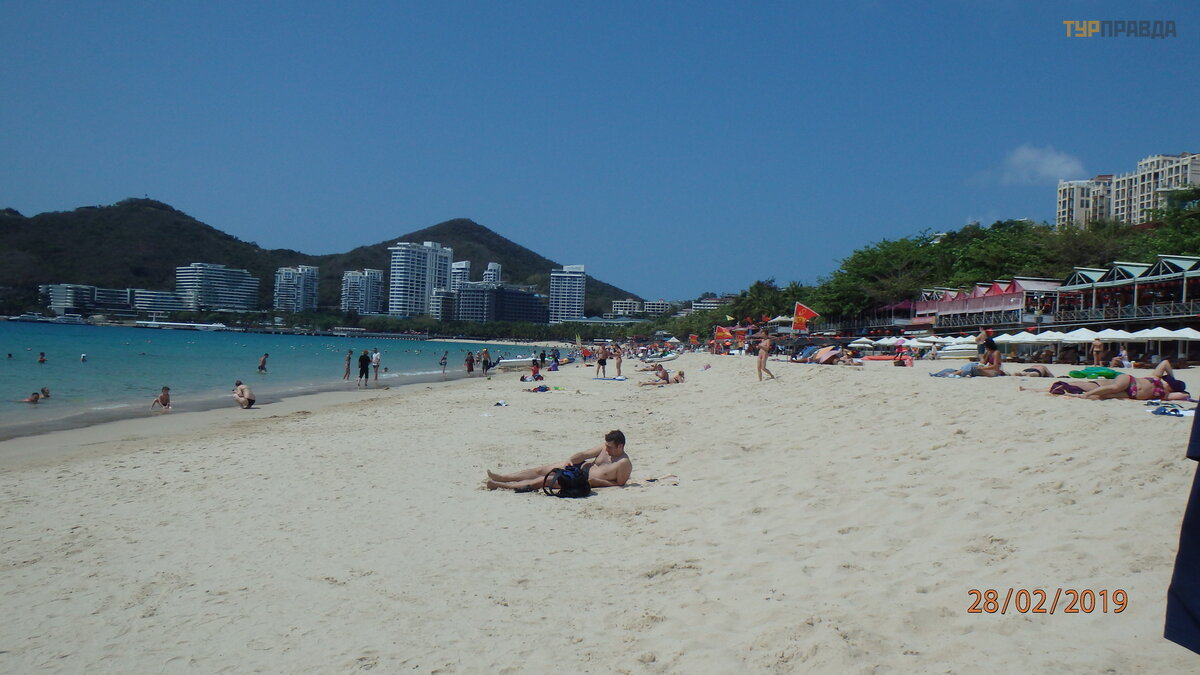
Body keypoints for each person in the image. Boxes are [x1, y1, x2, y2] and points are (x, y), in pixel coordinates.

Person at [486, 430, 633, 491]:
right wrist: (570, 459)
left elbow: (619, 484)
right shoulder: (604, 447)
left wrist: (598, 482)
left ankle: (503, 485)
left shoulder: (623, 463)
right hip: (579, 468)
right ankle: (503, 477)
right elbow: (584, 454)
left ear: (620, 446)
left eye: (610, 447)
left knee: (543, 480)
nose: (606, 449)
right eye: (606, 445)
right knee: (541, 470)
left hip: (582, 480)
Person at [1071, 359, 1191, 401]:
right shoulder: (1156, 377)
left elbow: (1185, 395)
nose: (1168, 383)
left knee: (1105, 396)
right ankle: (1085, 395)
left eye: (1170, 383)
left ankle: (1075, 395)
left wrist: (1177, 386)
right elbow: (1165, 363)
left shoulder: (1167, 394)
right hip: (1129, 381)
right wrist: (1173, 377)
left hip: (1131, 394)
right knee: (1114, 388)